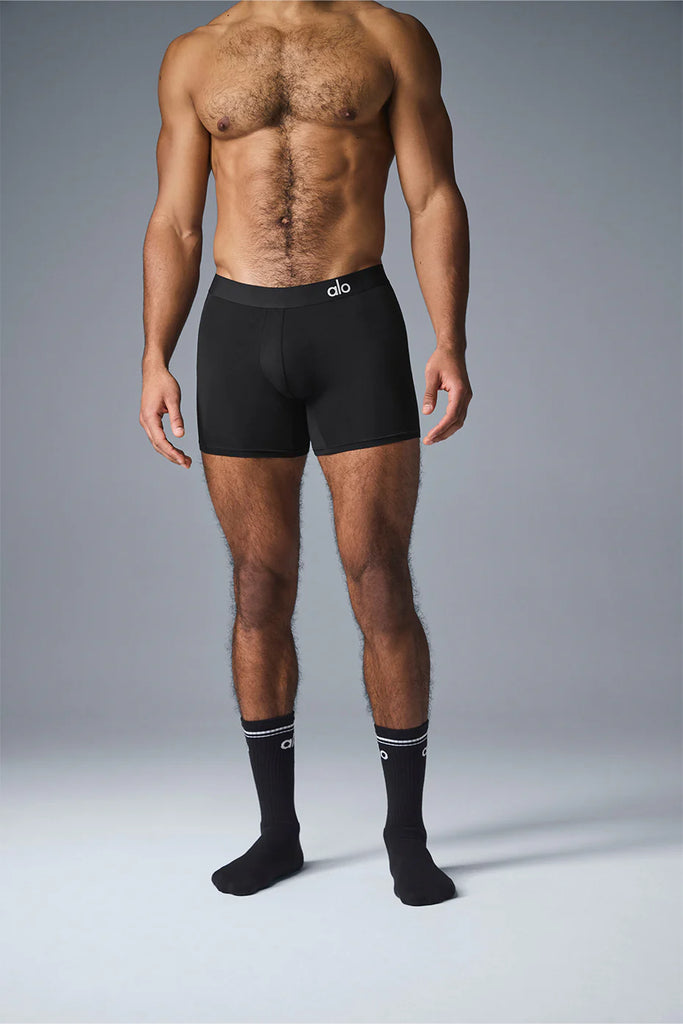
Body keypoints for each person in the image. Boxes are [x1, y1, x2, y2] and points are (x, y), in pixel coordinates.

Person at [139, 0, 472, 907]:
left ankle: (406, 835)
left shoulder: (386, 36)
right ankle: (276, 833)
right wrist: (154, 356)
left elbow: (432, 195)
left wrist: (449, 338)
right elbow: (175, 221)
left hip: (352, 321)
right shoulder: (194, 54)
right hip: (236, 328)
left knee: (378, 575)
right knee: (258, 584)